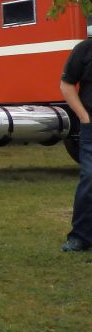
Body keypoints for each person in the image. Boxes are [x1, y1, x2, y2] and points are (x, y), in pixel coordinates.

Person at [59, 35, 92, 252]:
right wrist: (84, 117)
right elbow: (67, 84)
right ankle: (79, 236)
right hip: (91, 124)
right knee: (90, 176)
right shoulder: (85, 49)